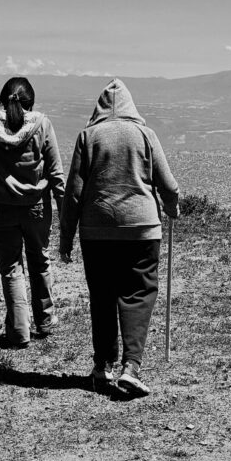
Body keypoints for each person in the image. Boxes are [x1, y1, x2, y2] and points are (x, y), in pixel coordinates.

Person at [60, 78, 179, 397]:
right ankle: (131, 367)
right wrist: (172, 207)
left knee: (102, 295)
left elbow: (74, 193)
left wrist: (66, 238)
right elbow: (168, 185)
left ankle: (102, 366)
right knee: (138, 292)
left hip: (96, 231)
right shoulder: (145, 134)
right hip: (141, 229)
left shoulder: (88, 136)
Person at [0, 77, 64, 348]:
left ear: (2, 99)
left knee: (11, 269)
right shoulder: (42, 124)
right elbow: (56, 172)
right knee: (39, 261)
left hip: (0, 208)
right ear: (31, 102)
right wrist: (66, 212)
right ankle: (45, 321)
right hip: (36, 207)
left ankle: (19, 331)